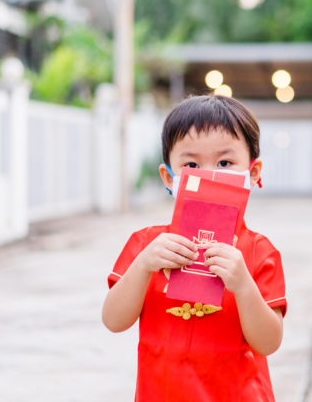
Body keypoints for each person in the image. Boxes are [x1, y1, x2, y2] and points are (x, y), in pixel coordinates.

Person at [102, 95, 286, 401]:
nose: (208, 174)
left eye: (225, 162)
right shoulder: (146, 245)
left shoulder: (259, 251)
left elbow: (268, 342)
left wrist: (242, 284)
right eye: (191, 164)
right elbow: (113, 320)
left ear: (253, 173)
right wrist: (145, 264)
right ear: (168, 177)